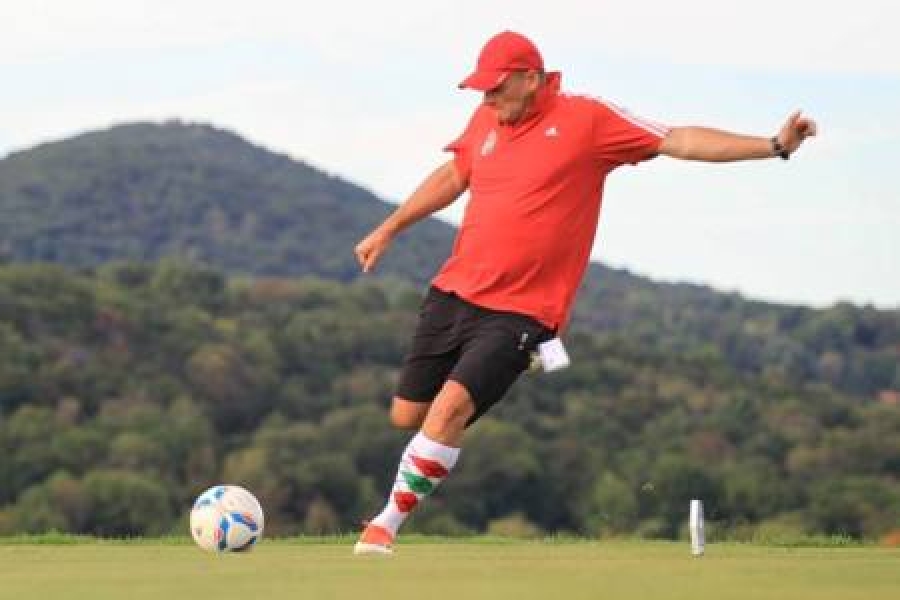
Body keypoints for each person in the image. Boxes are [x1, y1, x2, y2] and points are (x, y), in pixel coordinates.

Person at [352, 30, 816, 554]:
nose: (487, 99)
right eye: (481, 90)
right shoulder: (486, 118)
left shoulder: (587, 120)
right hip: (455, 292)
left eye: (497, 87)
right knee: (408, 416)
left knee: (448, 412)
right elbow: (455, 174)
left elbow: (678, 140)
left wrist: (774, 146)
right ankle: (465, 412)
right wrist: (389, 228)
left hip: (524, 311)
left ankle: (383, 526)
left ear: (531, 78)